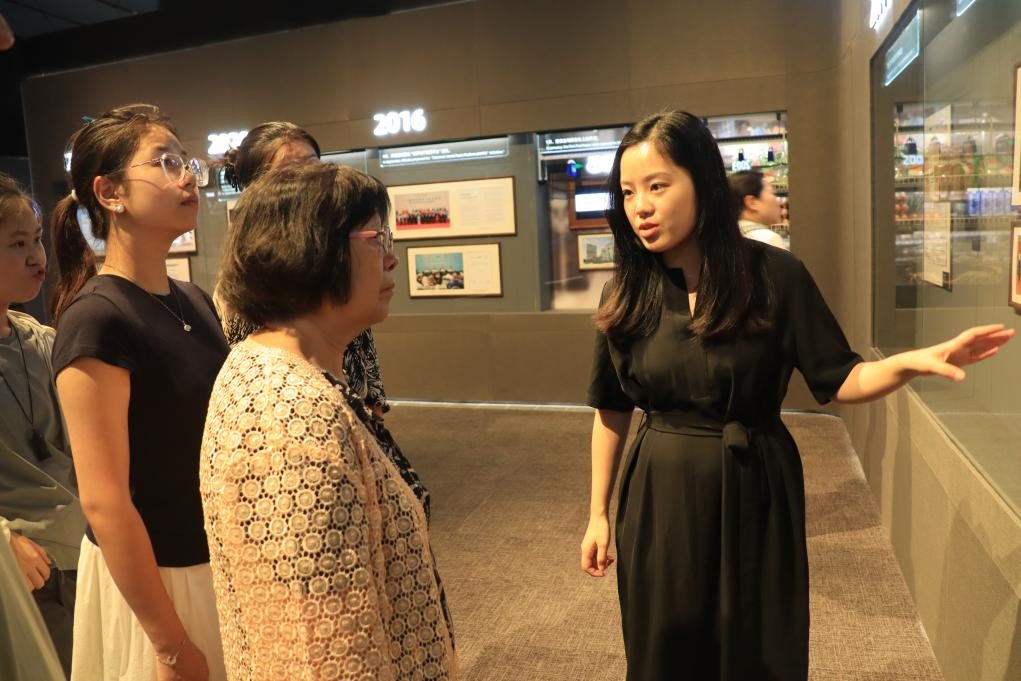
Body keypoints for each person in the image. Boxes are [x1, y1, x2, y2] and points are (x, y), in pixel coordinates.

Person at [579, 110, 1014, 681]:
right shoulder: (623, 293)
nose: (641, 207)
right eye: (629, 192)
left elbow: (840, 378)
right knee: (666, 641)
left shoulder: (774, 275)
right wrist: (597, 514)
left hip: (756, 479)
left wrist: (908, 363)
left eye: (658, 186)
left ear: (702, 182)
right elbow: (611, 409)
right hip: (661, 491)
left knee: (758, 641)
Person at [202, 162, 456, 680]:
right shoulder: (289, 415)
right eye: (376, 238)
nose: (392, 257)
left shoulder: (289, 373)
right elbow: (321, 650)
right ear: (311, 249)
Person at [50, 104, 229, 681]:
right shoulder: (97, 318)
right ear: (110, 193)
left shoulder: (193, 299)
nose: (188, 177)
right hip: (157, 580)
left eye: (187, 162)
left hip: (212, 558)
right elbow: (105, 502)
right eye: (165, 162)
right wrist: (170, 643)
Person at [214, 121, 391, 416]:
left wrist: (373, 406)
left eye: (313, 165)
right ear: (256, 190)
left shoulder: (336, 256)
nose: (310, 179)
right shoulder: (250, 278)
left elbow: (360, 342)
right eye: (290, 171)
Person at [0, 173, 85, 678]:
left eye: (36, 241)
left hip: (84, 556)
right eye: (17, 244)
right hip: (21, 570)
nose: (37, 257)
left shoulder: (44, 341)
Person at [728, 169, 789, 250]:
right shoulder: (768, 240)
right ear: (752, 202)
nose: (779, 203)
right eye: (772, 193)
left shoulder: (725, 238)